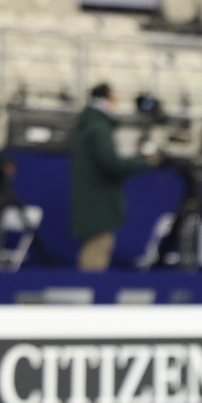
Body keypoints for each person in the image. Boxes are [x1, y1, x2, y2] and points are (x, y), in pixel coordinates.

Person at [70, 82, 156, 273]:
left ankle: (87, 288)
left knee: (93, 249)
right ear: (105, 98)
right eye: (113, 98)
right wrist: (145, 161)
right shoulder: (98, 128)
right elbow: (111, 164)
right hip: (98, 204)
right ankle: (90, 290)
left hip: (92, 201)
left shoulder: (90, 124)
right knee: (97, 250)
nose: (116, 102)